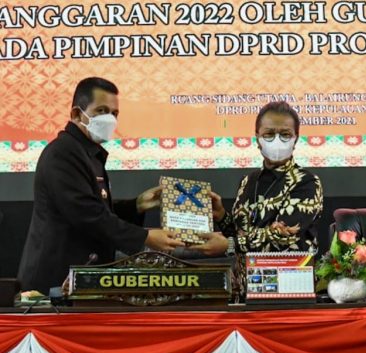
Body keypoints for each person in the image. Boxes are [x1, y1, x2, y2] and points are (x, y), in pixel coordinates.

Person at [17, 77, 183, 294]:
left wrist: (137, 205)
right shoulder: (63, 153)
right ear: (77, 114)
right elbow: (87, 215)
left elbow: (99, 210)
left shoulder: (88, 153)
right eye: (101, 111)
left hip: (79, 279)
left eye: (114, 113)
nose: (110, 119)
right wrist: (145, 238)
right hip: (52, 283)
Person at [196, 101, 323, 256]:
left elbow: (284, 236)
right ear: (257, 138)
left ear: (295, 139)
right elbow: (241, 234)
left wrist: (230, 245)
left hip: (289, 270)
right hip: (245, 271)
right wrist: (221, 216)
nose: (277, 140)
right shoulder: (248, 181)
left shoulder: (306, 182)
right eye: (269, 134)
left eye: (285, 134)